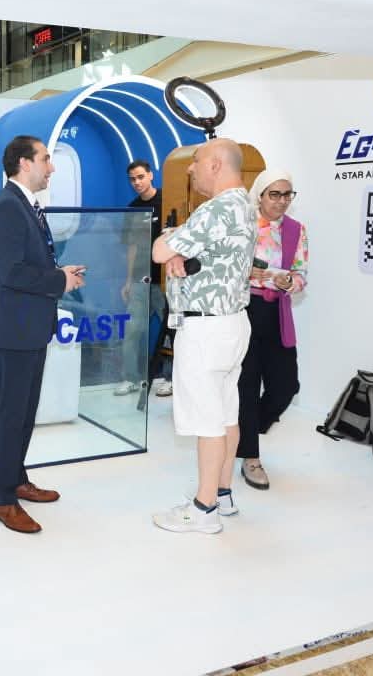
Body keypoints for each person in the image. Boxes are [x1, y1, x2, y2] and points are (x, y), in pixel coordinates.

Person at [150, 138, 256, 534]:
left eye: (196, 161)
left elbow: (159, 250)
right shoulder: (244, 204)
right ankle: (223, 494)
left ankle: (203, 509)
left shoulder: (216, 209)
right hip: (232, 324)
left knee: (208, 420)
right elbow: (188, 250)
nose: (191, 169)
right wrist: (181, 248)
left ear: (215, 165)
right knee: (227, 414)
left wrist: (171, 242)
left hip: (206, 330)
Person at [0, 135, 86, 533]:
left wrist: (59, 275)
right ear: (25, 163)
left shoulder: (24, 204)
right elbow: (12, 273)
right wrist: (59, 281)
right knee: (12, 416)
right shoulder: (8, 206)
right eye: (45, 158)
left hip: (29, 329)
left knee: (24, 413)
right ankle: (2, 501)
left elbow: (26, 264)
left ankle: (16, 479)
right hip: (13, 331)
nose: (52, 166)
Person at [236, 170, 308, 490]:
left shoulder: (296, 229)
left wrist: (290, 281)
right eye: (274, 194)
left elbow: (301, 273)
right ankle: (250, 456)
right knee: (247, 386)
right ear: (260, 194)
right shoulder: (243, 224)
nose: (281, 201)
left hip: (277, 312)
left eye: (287, 194)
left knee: (286, 386)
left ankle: (244, 431)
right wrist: (260, 275)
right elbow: (230, 270)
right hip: (245, 310)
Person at [116, 160, 173, 398]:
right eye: (132, 179)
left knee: (172, 331)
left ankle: (170, 379)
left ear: (150, 175)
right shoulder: (133, 208)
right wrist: (128, 280)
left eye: (140, 177)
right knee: (131, 331)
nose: (137, 182)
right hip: (141, 280)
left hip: (166, 281)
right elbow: (131, 247)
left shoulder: (168, 200)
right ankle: (130, 378)